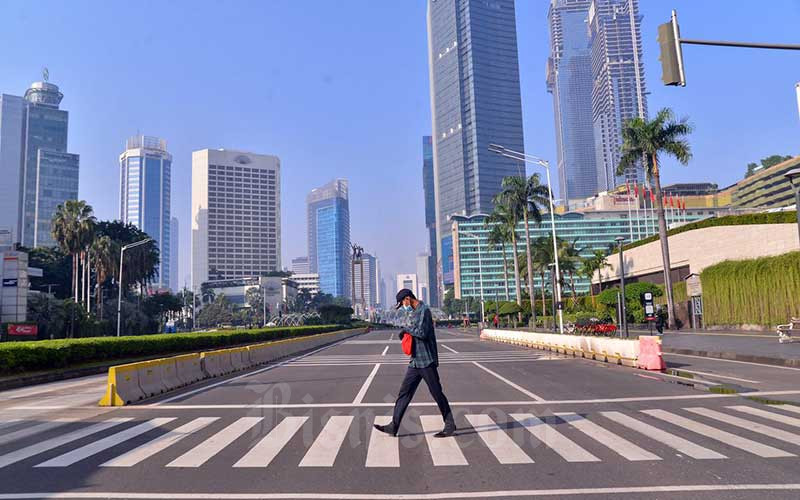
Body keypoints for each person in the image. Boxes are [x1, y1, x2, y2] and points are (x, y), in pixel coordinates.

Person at [374, 288, 456, 438]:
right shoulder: (413, 312)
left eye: (403, 303)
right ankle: (394, 426)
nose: (404, 306)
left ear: (407, 298)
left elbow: (422, 333)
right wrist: (406, 332)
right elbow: (414, 332)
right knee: (404, 393)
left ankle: (450, 424)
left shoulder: (424, 310)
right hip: (415, 361)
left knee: (436, 392)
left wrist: (406, 329)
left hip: (426, 360)